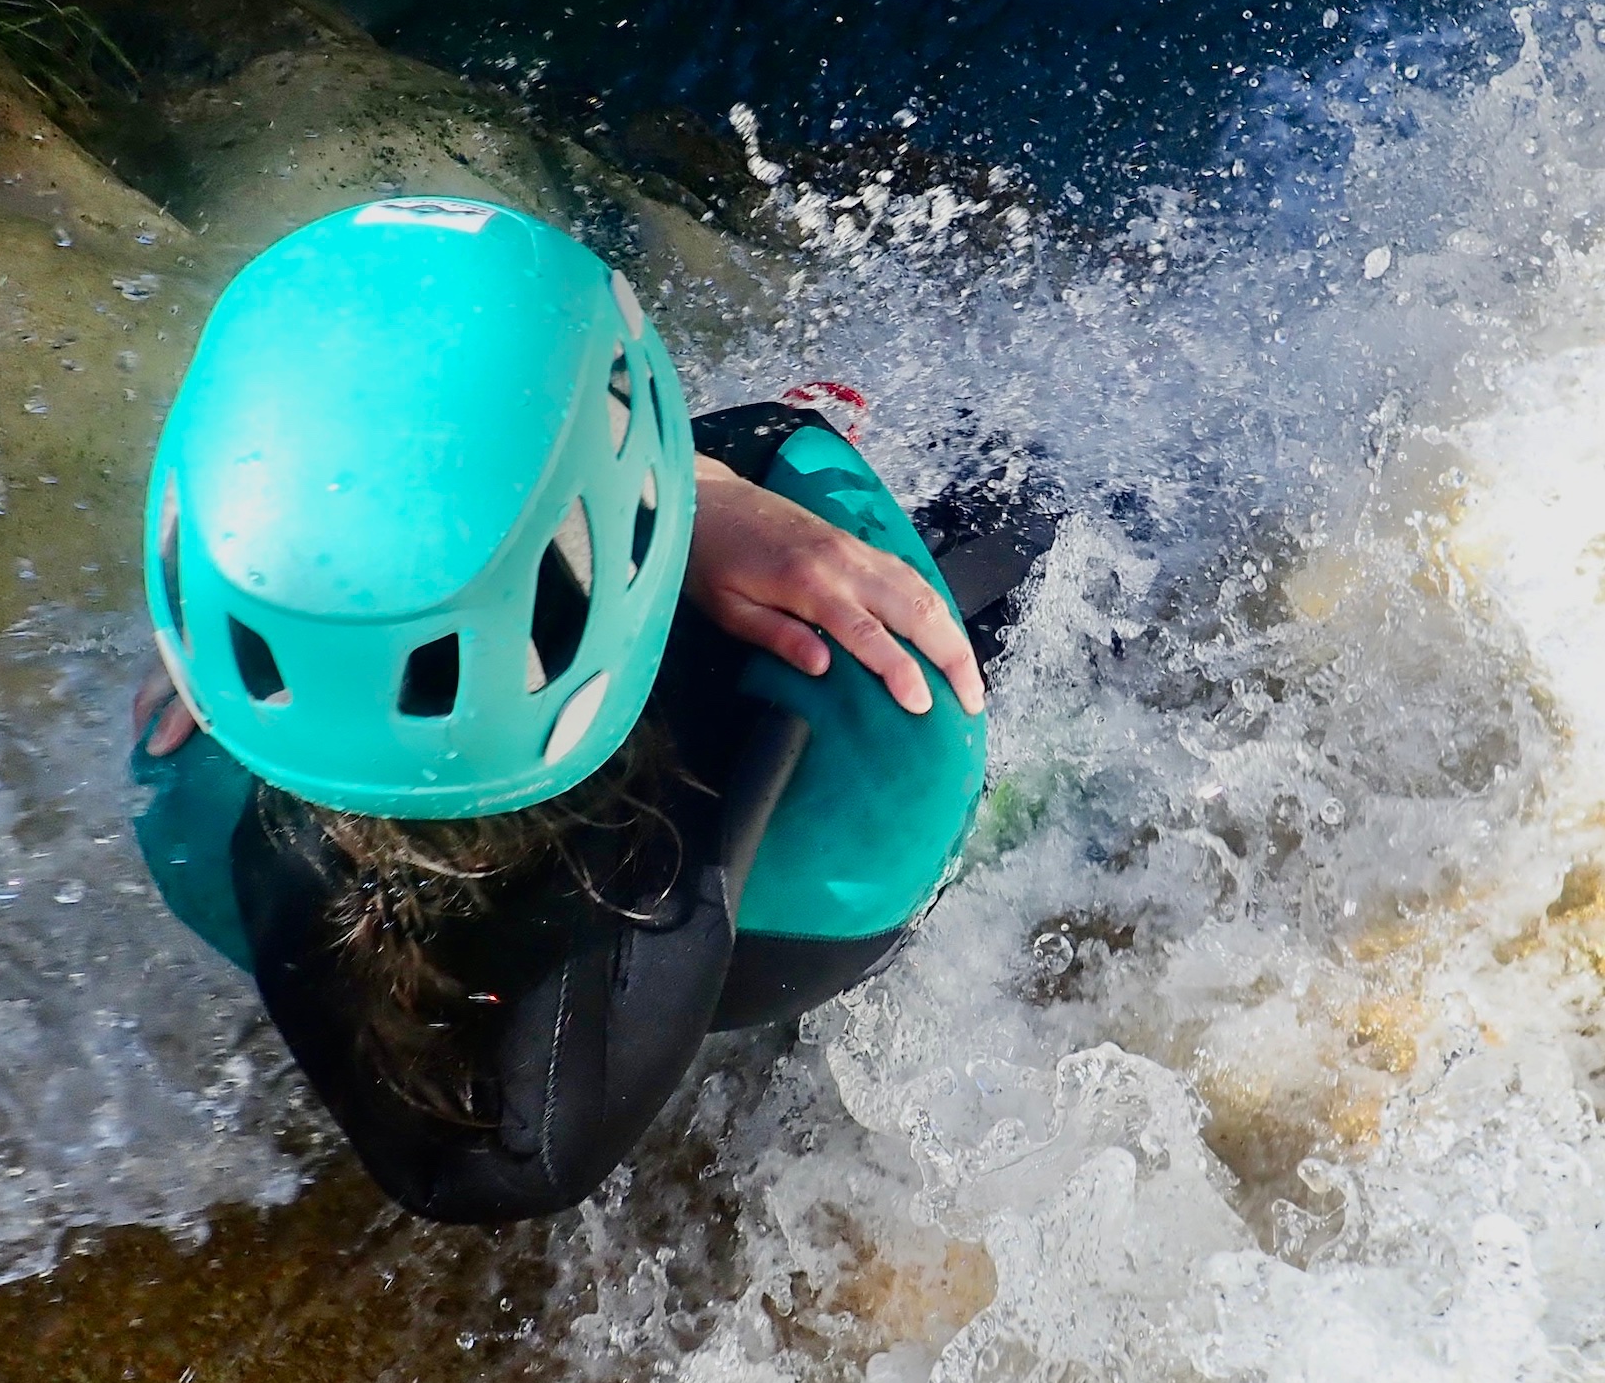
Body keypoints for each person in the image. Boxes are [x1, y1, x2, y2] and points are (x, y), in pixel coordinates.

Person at [128, 195, 1051, 1224]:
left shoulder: (193, 810)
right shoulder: (886, 747)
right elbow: (791, 455)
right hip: (817, 900)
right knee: (1020, 537)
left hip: (671, 917)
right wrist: (718, 483)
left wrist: (249, 642)